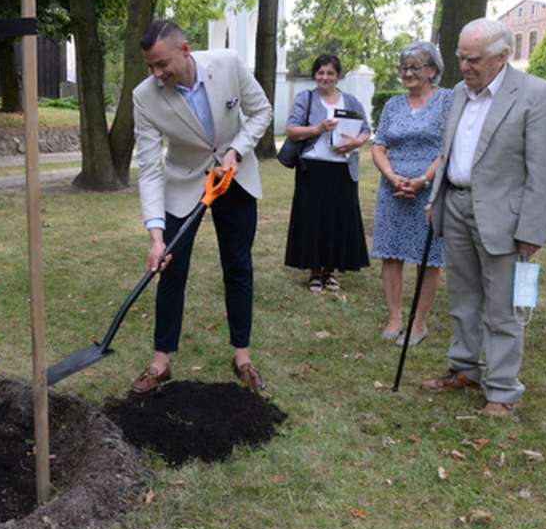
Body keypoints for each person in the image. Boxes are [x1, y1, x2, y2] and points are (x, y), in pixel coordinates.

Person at [421, 18, 546, 417]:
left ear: (503, 56)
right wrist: (438, 197)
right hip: (456, 208)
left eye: (474, 59)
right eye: (460, 59)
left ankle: (502, 389)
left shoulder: (538, 96)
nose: (465, 67)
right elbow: (451, 151)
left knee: (504, 307)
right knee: (463, 298)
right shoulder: (457, 94)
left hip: (505, 218)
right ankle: (465, 367)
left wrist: (533, 229)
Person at [131, 20, 273, 394]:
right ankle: (161, 362)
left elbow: (261, 112)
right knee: (171, 270)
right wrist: (156, 236)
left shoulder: (228, 64)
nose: (158, 74)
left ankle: (242, 355)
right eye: (151, 67)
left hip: (234, 175)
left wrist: (235, 151)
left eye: (163, 64)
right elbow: (149, 167)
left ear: (186, 49)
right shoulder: (145, 97)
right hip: (184, 181)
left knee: (238, 265)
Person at [370, 41, 452, 345]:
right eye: (404, 68)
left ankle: (418, 323)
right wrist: (392, 177)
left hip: (428, 190)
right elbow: (378, 146)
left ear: (432, 70)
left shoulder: (447, 100)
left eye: (415, 67)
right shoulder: (392, 105)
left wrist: (422, 179)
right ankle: (394, 319)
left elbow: (449, 147)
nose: (408, 73)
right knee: (391, 254)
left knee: (428, 257)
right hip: (392, 189)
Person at [283, 54, 371, 293]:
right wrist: (318, 128)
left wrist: (356, 143)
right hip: (313, 168)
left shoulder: (351, 101)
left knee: (337, 221)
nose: (325, 77)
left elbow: (366, 129)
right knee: (313, 220)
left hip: (342, 169)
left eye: (330, 73)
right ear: (314, 75)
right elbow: (291, 130)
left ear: (337, 76)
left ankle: (330, 271)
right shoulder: (306, 98)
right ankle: (313, 272)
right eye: (320, 73)